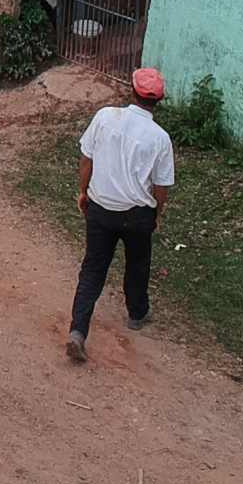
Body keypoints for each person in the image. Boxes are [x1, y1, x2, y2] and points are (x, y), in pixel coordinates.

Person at [68, 66, 175, 363]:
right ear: (159, 101)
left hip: (101, 208)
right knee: (138, 264)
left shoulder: (105, 117)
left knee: (92, 270)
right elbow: (162, 185)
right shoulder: (160, 138)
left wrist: (84, 191)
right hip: (137, 214)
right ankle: (137, 313)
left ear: (132, 92)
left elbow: (86, 157)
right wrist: (157, 213)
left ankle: (78, 330)